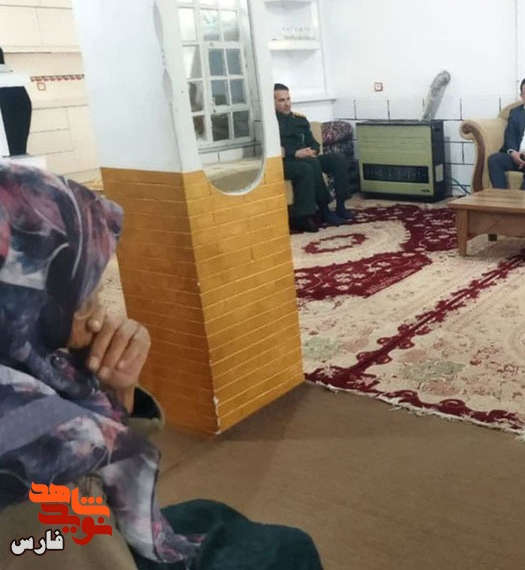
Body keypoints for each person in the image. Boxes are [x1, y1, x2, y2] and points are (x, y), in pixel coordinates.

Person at [0, 161, 323, 569]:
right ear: (26, 303)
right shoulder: (40, 465)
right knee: (289, 549)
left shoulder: (24, 379)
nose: (99, 311)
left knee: (211, 514)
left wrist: (117, 388)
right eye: (83, 292)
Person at [275, 83, 353, 233]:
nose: (287, 104)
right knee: (309, 165)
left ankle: (341, 206)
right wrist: (295, 153)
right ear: (272, 102)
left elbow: (314, 142)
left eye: (288, 99)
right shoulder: (271, 123)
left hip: (307, 157)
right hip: (286, 162)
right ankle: (322, 210)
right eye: (281, 100)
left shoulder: (299, 120)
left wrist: (313, 150)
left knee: (337, 159)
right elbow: (273, 148)